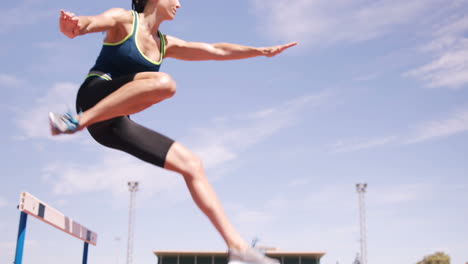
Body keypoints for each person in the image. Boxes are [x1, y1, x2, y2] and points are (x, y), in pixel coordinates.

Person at [49, 0, 296, 263]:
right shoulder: (123, 20)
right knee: (163, 83)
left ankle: (236, 247)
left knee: (192, 164)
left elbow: (215, 50)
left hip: (112, 124)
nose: (179, 3)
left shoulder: (165, 44)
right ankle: (76, 120)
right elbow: (88, 24)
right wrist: (72, 26)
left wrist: (260, 51)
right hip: (93, 97)